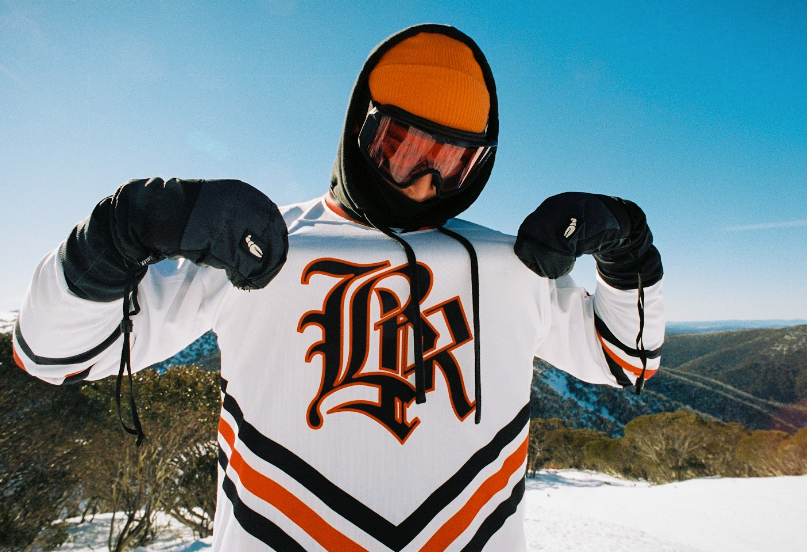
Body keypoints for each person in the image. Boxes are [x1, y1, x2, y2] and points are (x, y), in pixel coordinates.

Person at [13, 24, 664, 552]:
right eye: (401, 147)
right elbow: (51, 351)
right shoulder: (258, 250)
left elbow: (626, 359)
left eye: (452, 161)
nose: (423, 182)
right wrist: (117, 233)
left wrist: (627, 250)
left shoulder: (511, 263)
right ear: (358, 129)